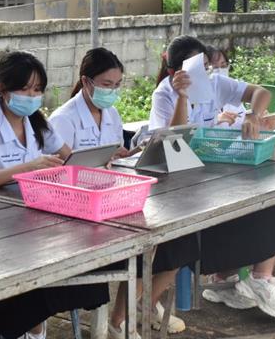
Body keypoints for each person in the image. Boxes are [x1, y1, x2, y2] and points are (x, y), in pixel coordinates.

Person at [0, 51, 109, 339]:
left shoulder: (37, 121)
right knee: (27, 274)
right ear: (1, 88)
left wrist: (97, 161)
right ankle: (26, 328)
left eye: (37, 90)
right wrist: (28, 168)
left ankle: (34, 327)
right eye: (24, 89)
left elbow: (69, 157)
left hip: (33, 214)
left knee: (78, 254)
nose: (32, 96)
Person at [49, 48, 188, 338]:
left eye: (117, 85)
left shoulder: (110, 112)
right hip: (73, 206)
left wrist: (125, 153)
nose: (112, 91)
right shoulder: (64, 118)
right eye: (106, 85)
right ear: (86, 82)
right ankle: (121, 318)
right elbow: (63, 167)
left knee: (160, 236)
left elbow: (110, 154)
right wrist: (103, 159)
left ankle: (126, 316)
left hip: (108, 197)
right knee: (139, 239)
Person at [151, 35, 275, 320]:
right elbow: (173, 140)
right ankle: (234, 278)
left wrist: (253, 114)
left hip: (212, 170)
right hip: (178, 179)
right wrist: (182, 98)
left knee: (268, 203)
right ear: (175, 73)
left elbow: (260, 93)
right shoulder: (164, 94)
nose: (207, 72)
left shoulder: (214, 83)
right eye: (198, 68)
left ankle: (237, 278)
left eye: (206, 66)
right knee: (186, 238)